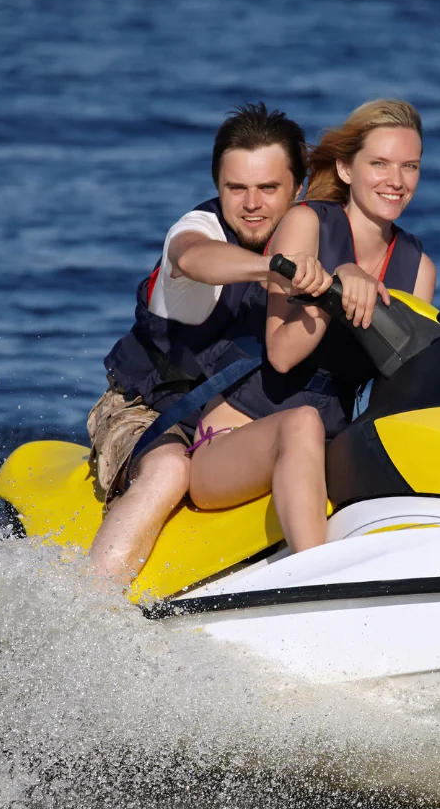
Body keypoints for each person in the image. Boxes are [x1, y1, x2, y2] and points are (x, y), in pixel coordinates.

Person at [88, 103, 332, 585]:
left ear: (298, 188)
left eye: (268, 188)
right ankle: (81, 611)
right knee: (169, 473)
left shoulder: (318, 235)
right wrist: (274, 269)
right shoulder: (198, 230)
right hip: (147, 411)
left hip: (240, 422)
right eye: (235, 188)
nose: (251, 204)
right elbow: (195, 259)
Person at [183, 99, 436, 554]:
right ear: (344, 168)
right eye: (379, 164)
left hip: (324, 447)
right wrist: (333, 293)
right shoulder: (307, 223)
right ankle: (313, 572)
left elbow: (390, 396)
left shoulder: (418, 269)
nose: (396, 181)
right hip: (233, 441)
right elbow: (281, 353)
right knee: (302, 423)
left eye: (409, 166)